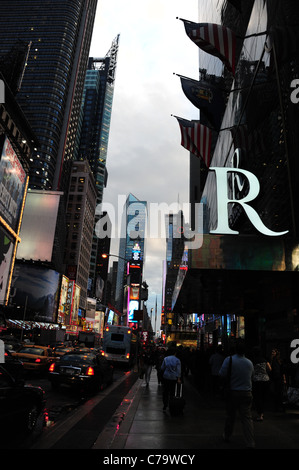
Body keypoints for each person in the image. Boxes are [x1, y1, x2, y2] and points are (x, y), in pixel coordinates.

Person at [219, 340, 255, 449]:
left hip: (233, 392)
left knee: (230, 416)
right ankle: (250, 442)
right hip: (247, 393)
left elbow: (221, 374)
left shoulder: (229, 360)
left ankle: (227, 435)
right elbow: (252, 377)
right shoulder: (249, 362)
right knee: (247, 418)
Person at [252, 346, 271, 421]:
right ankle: (262, 413)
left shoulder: (253, 361)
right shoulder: (264, 360)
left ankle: (260, 414)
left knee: (257, 397)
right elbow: (270, 369)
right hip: (266, 380)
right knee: (263, 397)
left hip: (257, 380)